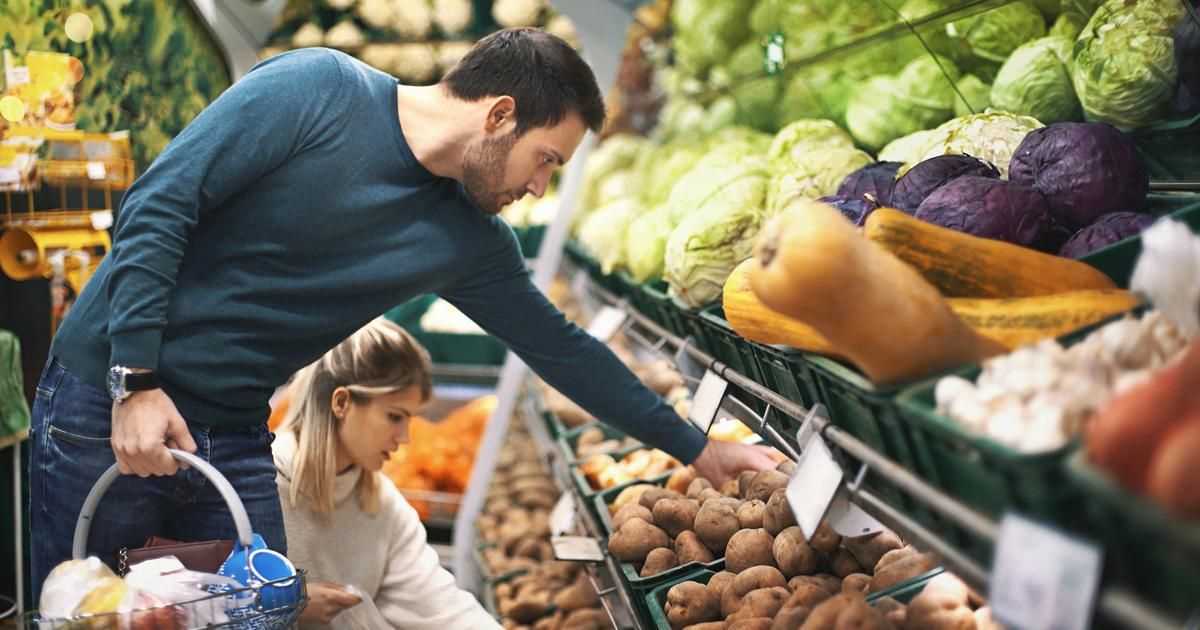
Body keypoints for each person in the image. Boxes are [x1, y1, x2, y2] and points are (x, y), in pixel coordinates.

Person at [28, 27, 777, 598]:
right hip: (108, 397)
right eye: (545, 159)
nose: (540, 188)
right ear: (501, 115)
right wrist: (135, 379)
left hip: (230, 425)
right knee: (91, 605)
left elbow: (561, 347)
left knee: (253, 607)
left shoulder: (467, 240)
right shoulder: (316, 90)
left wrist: (696, 446)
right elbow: (160, 203)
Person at [274, 318, 498, 628]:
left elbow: (443, 610)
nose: (405, 437)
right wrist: (284, 606)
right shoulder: (263, 490)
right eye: (394, 416)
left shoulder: (381, 504)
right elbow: (205, 601)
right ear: (342, 403)